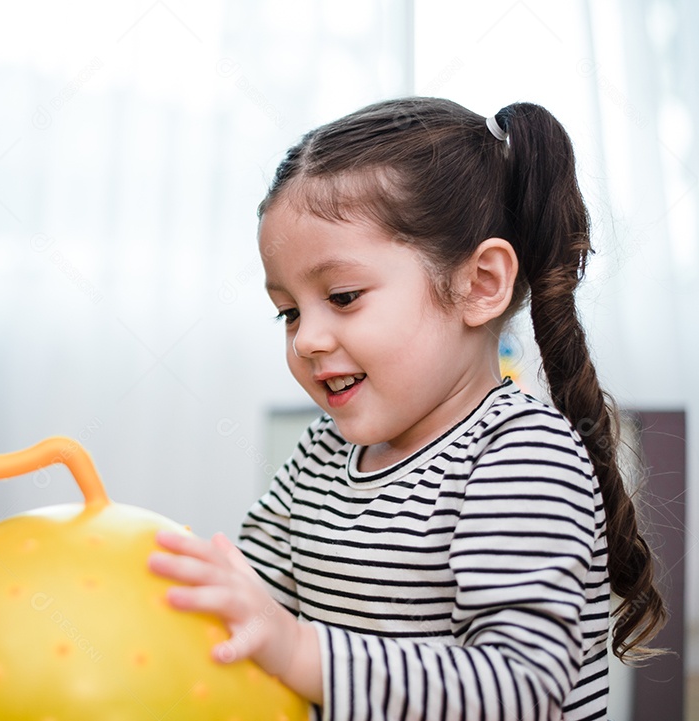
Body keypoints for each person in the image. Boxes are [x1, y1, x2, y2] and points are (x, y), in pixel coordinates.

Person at [147, 97, 666, 720]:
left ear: (479, 284)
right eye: (288, 312)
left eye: (341, 296)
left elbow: (519, 689)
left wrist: (300, 650)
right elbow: (253, 604)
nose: (306, 338)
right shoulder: (321, 454)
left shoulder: (524, 459)